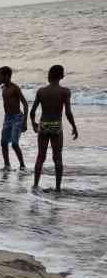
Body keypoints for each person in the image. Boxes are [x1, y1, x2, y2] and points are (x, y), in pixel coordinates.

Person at [30, 64, 79, 193]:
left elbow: (32, 111)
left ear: (49, 76)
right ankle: (58, 188)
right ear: (61, 76)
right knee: (57, 158)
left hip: (44, 124)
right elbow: (68, 112)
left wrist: (33, 123)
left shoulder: (41, 91)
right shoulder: (65, 92)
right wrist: (74, 126)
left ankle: (35, 184)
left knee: (41, 156)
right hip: (56, 125)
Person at [0, 66, 28, 171]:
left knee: (14, 143)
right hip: (7, 118)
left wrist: (25, 122)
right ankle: (7, 165)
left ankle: (22, 165)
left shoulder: (15, 88)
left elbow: (25, 104)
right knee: (3, 142)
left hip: (17, 118)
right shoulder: (3, 88)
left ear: (7, 76)